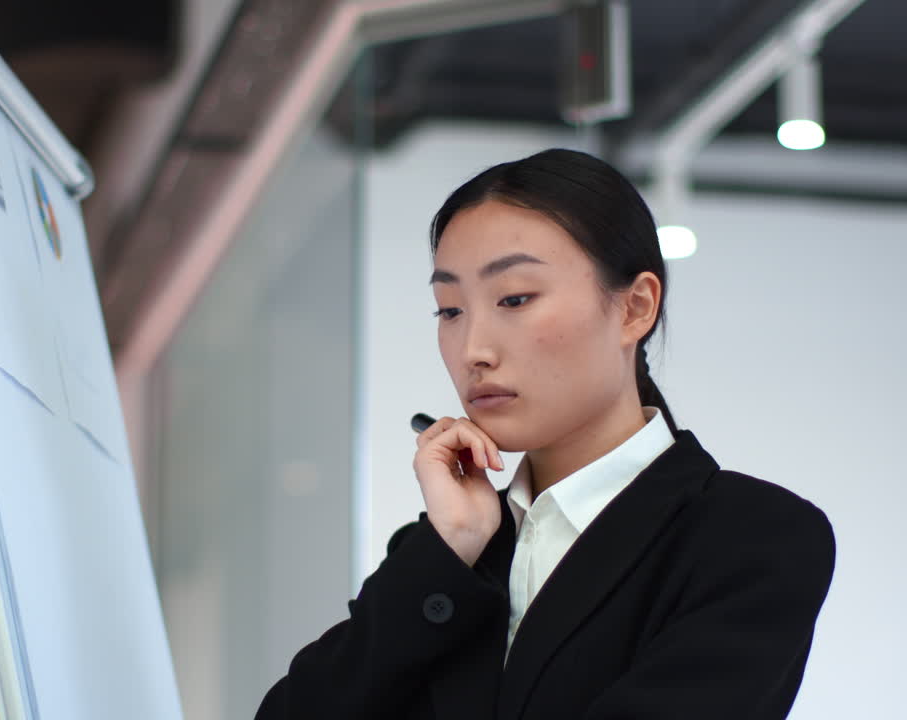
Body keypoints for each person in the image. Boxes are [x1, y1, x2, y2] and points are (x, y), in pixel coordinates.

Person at [256, 149, 835, 720]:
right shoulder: (445, 554)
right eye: (450, 310)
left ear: (635, 307)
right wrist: (450, 545)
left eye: (515, 298)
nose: (474, 351)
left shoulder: (753, 537)